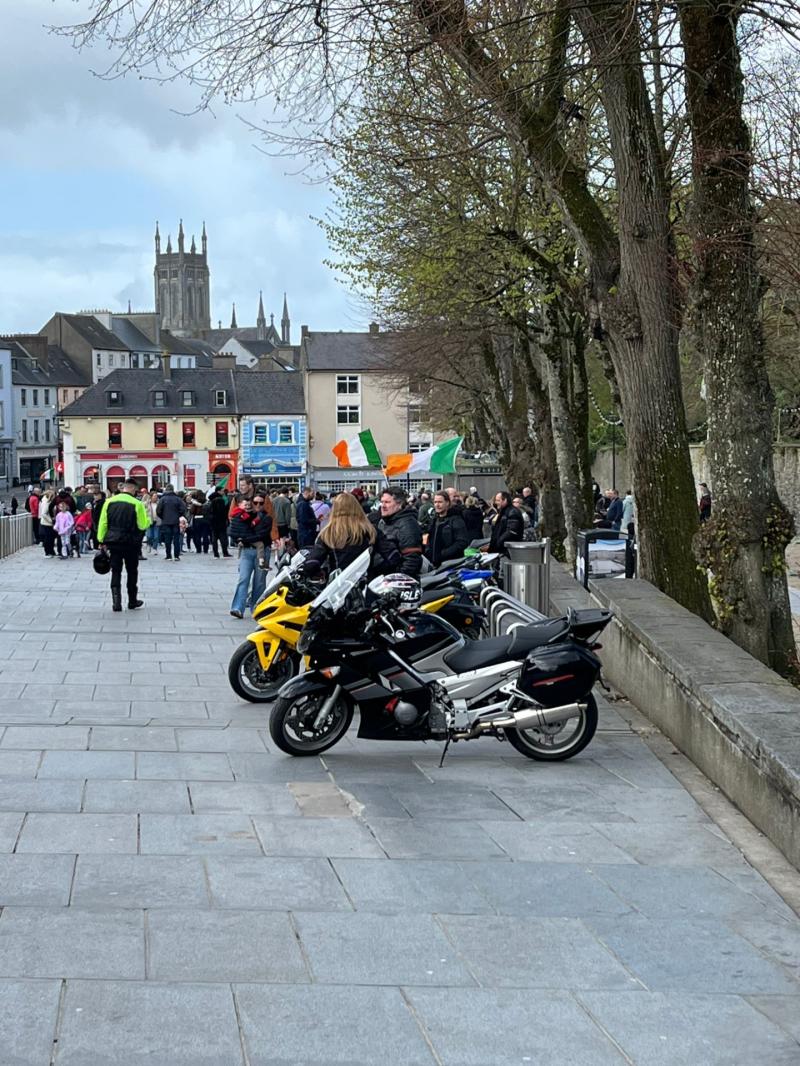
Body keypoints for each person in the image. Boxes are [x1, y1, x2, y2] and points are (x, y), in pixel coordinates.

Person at [303, 491, 403, 578]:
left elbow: (311, 564)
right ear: (357, 508)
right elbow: (393, 557)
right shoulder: (370, 530)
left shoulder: (328, 532)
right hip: (365, 584)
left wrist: (320, 574)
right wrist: (376, 572)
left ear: (335, 509)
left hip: (337, 587)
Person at [97, 477, 149, 611]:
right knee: (132, 571)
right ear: (132, 489)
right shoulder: (137, 504)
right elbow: (142, 525)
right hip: (131, 543)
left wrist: (101, 540)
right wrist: (149, 520)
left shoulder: (109, 502)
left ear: (123, 488)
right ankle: (132, 601)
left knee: (116, 571)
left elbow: (103, 523)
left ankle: (116, 602)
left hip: (113, 542)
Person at [228, 497, 277, 617]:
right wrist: (237, 538)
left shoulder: (266, 518)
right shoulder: (243, 516)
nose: (258, 505)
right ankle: (238, 608)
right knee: (243, 579)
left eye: (261, 503)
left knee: (259, 582)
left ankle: (256, 608)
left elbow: (262, 535)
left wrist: (244, 539)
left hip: (262, 551)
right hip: (247, 550)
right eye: (255, 502)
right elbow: (234, 530)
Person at [369, 486, 423, 577]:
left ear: (399, 504)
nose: (383, 505)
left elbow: (412, 560)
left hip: (396, 581)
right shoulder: (383, 521)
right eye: (382, 502)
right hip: (380, 578)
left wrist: (398, 578)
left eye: (387, 502)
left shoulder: (407, 525)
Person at [426, 490, 470, 566]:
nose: (437, 505)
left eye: (440, 502)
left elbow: (462, 542)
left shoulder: (456, 520)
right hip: (434, 563)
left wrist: (444, 553)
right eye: (435, 502)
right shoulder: (434, 520)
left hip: (451, 563)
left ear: (447, 503)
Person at [156, 484, 187, 561]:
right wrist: (178, 515)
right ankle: (176, 556)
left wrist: (163, 517)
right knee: (176, 539)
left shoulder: (162, 499)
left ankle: (168, 555)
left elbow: (158, 510)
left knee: (167, 539)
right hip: (176, 521)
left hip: (166, 522)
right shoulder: (178, 499)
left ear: (166, 489)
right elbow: (183, 509)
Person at [207, 489, 232, 558]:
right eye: (222, 491)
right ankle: (225, 552)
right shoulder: (220, 500)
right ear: (218, 491)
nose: (223, 492)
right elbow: (222, 512)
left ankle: (216, 554)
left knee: (214, 538)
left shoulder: (211, 500)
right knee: (223, 537)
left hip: (213, 521)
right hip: (220, 521)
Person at [39, 490, 56, 557]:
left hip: (46, 522)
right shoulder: (47, 503)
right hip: (47, 523)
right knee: (49, 538)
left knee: (50, 537)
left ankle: (50, 551)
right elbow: (44, 513)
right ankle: (48, 552)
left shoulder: (45, 501)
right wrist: (51, 520)